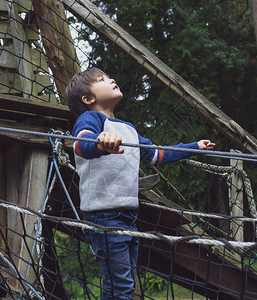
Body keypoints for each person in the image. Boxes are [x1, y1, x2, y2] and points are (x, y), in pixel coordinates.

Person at [65, 67, 215, 299]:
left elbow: (157, 155)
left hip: (128, 215)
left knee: (121, 285)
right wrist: (100, 143)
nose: (112, 79)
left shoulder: (128, 130)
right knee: (121, 288)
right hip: (103, 216)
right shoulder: (90, 119)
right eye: (103, 79)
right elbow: (81, 143)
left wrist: (193, 147)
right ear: (88, 98)